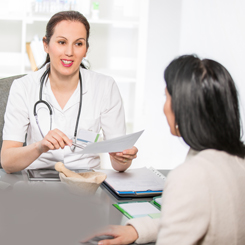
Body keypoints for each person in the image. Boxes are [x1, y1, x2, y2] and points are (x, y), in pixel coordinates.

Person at [86, 55, 245, 245]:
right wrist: (138, 230)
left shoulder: (190, 177)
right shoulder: (237, 160)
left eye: (166, 96)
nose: (164, 106)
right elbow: (194, 216)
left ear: (182, 107)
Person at [1, 11, 138, 174]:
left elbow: (119, 166)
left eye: (78, 44)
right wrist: (39, 147)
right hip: (36, 181)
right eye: (61, 42)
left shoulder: (105, 87)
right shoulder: (23, 87)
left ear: (86, 49)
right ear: (46, 44)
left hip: (86, 182)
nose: (69, 52)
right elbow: (7, 162)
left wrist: (123, 158)